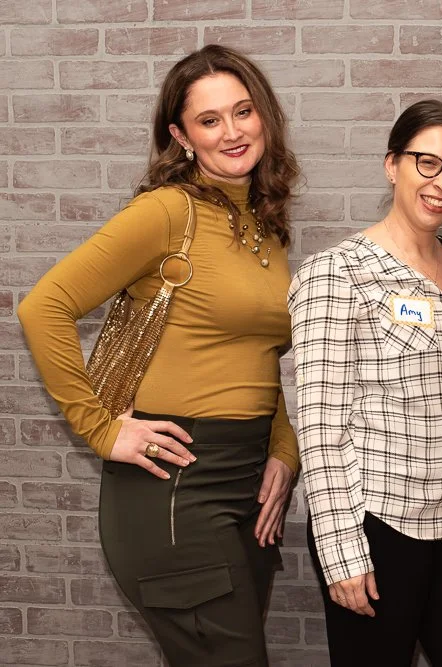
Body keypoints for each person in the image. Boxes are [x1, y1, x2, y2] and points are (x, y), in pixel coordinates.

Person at [18, 45, 300, 666]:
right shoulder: (169, 212)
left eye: (243, 111)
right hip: (176, 488)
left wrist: (284, 450)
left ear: (265, 115)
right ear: (181, 136)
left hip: (245, 480)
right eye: (209, 120)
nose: (232, 132)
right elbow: (44, 307)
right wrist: (99, 429)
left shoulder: (266, 226)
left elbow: (264, 354)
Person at [288, 99, 442, 667]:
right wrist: (341, 552)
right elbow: (320, 428)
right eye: (427, 163)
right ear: (392, 165)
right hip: (376, 528)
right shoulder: (337, 272)